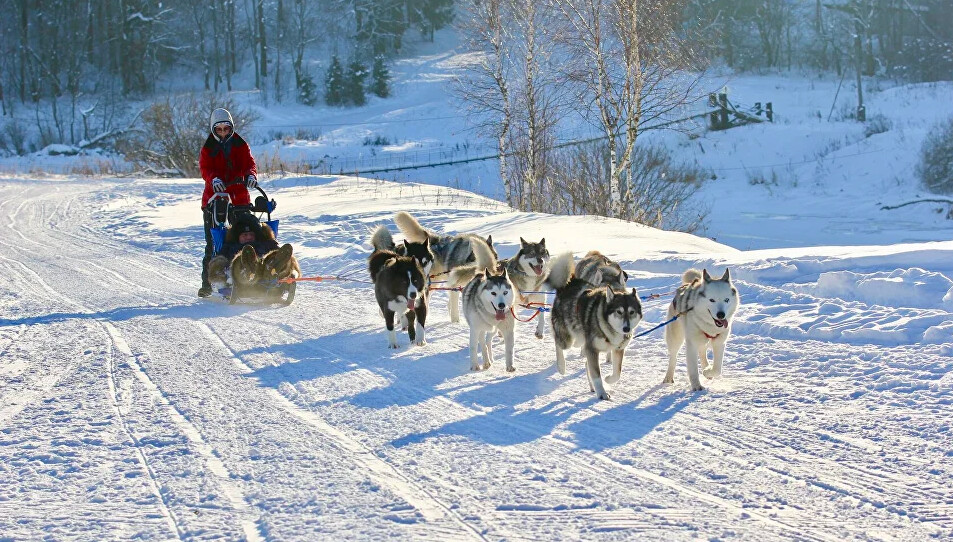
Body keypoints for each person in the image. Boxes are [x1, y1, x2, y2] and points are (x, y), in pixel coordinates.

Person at [198, 107, 259, 297]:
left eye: (226, 129)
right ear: (214, 130)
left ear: (231, 128)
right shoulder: (208, 148)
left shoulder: (241, 145)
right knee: (214, 241)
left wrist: (250, 175)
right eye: (219, 129)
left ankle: (249, 275)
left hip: (239, 195)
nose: (223, 132)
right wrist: (213, 178)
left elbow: (250, 163)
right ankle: (208, 283)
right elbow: (205, 168)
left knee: (245, 236)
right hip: (214, 199)